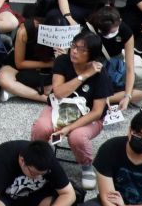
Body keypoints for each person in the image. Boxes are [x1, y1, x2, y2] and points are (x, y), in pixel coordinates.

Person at [32, 32, 112, 191]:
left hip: (87, 115)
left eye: (82, 50)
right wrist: (84, 76)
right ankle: (35, 157)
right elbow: (59, 92)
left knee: (77, 137)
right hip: (60, 107)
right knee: (42, 126)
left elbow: (97, 112)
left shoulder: (101, 73)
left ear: (92, 55)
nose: (75, 51)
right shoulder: (63, 61)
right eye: (74, 46)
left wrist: (69, 128)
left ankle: (87, 165)